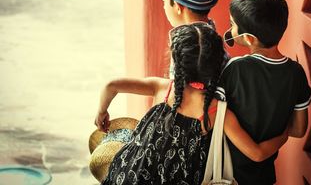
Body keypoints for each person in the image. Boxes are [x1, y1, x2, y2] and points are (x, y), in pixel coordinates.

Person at [95, 23, 288, 185]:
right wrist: (285, 134)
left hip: (131, 176)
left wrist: (102, 112)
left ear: (175, 60)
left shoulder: (162, 89)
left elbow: (111, 85)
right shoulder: (217, 111)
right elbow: (256, 154)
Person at [220, 0, 311, 185]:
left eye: (232, 25)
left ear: (248, 38)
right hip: (264, 177)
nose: (230, 29)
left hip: (226, 175)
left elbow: (214, 117)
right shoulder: (296, 73)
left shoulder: (235, 69)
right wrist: (280, 135)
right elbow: (298, 129)